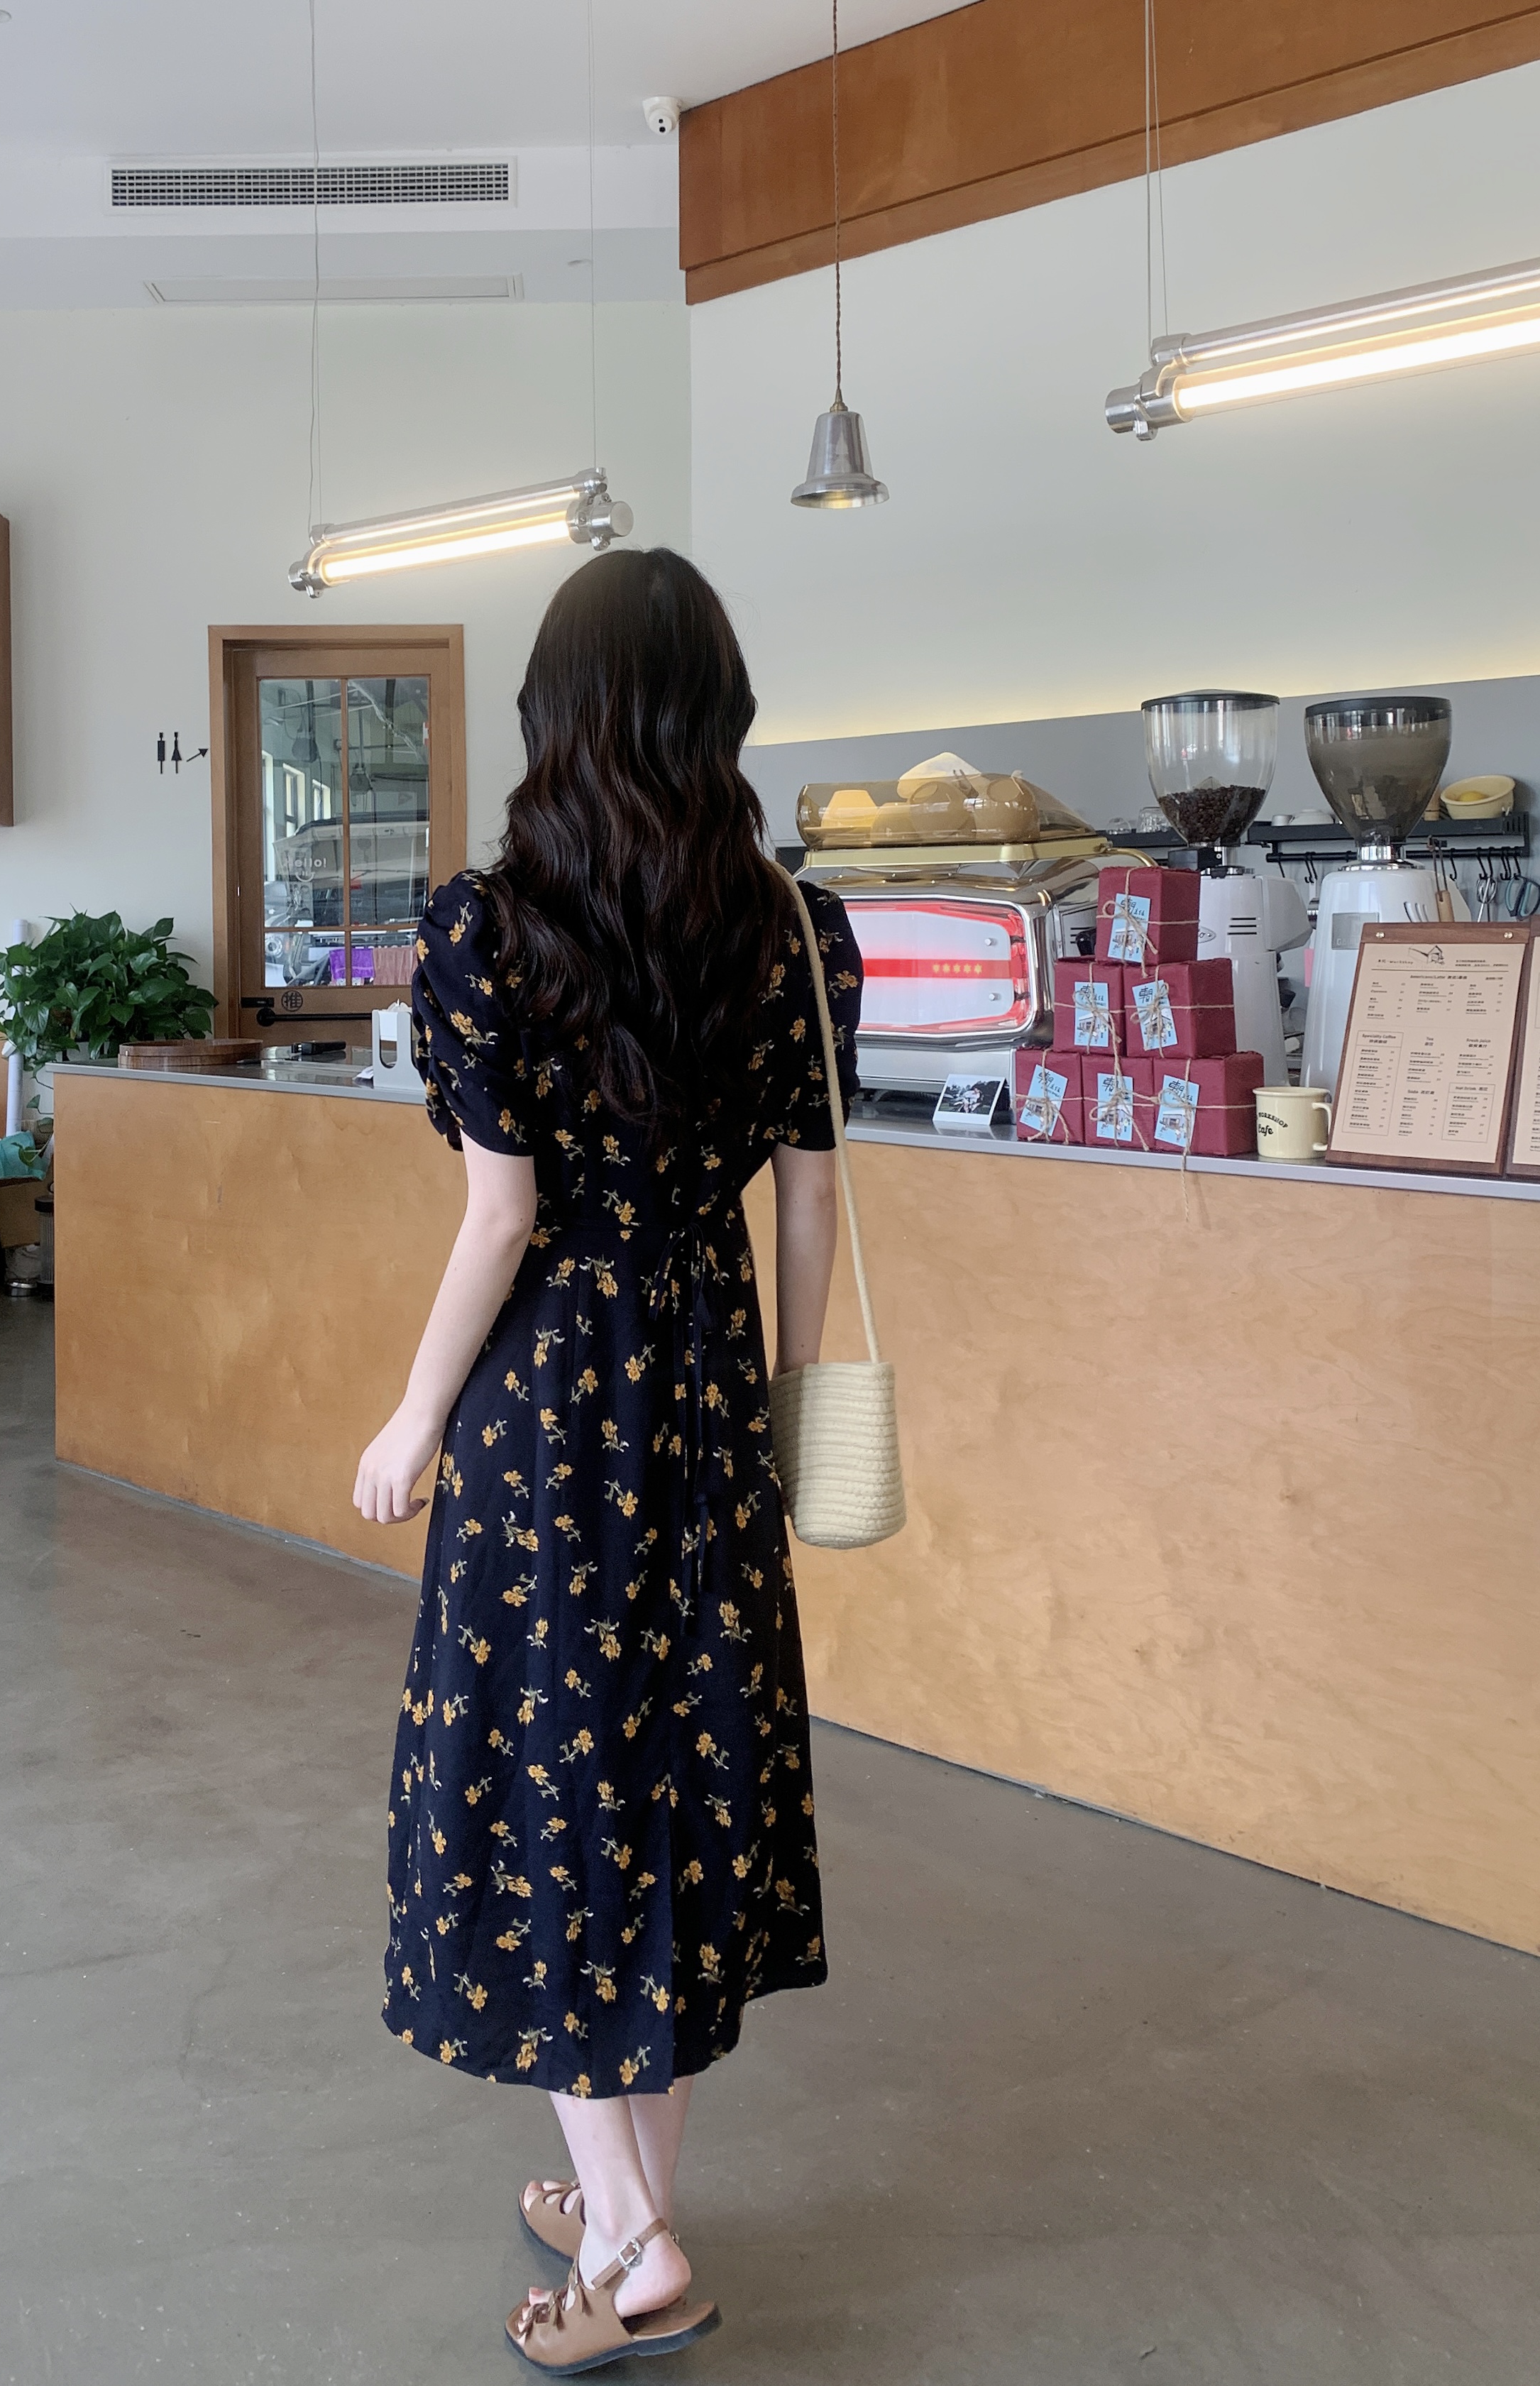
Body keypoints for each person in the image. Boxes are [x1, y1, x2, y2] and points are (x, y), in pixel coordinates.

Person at [353, 546, 862, 2373]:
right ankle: (623, 2189)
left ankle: (639, 2248)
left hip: (551, 1408)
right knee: (673, 1776)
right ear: (720, 706)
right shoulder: (794, 923)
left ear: (549, 711)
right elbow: (807, 1198)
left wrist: (416, 1414)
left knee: (542, 1788)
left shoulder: (486, 925)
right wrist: (787, 1401)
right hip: (708, 1391)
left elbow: (501, 1217)